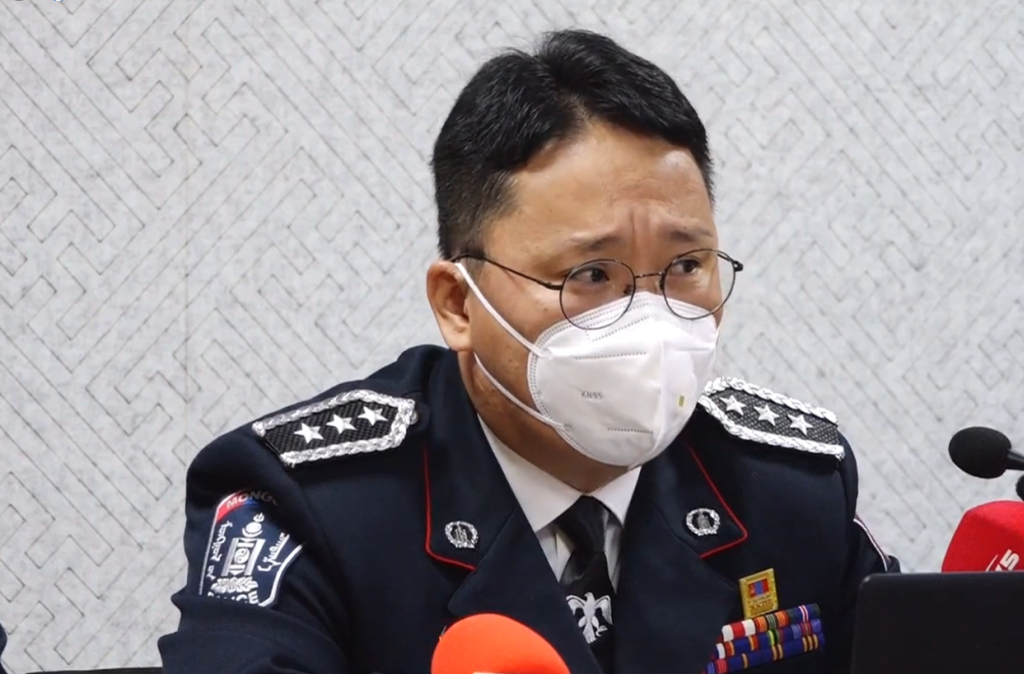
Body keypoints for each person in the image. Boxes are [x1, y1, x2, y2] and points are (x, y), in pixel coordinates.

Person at [158, 29, 899, 674]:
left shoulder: (789, 484)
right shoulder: (315, 505)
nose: (650, 318)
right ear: (458, 304)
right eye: (591, 275)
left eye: (685, 266)